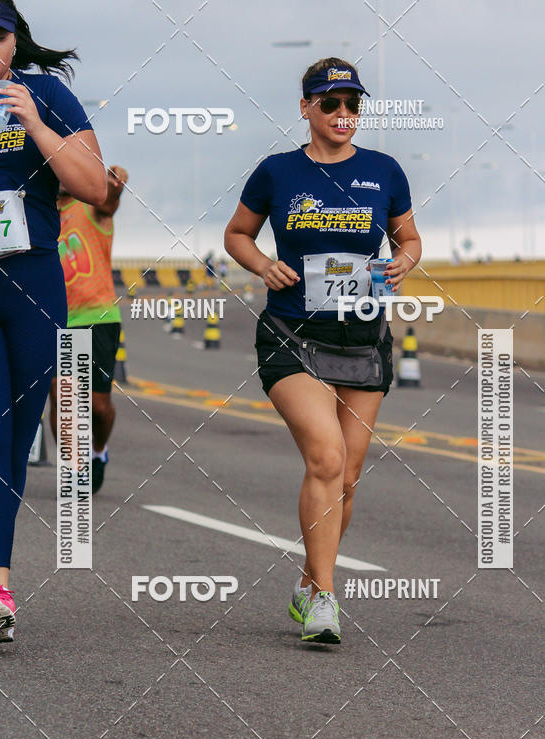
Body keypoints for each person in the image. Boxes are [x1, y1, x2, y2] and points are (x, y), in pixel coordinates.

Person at [224, 57, 421, 644]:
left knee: (348, 479)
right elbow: (237, 234)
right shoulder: (277, 172)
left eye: (352, 103)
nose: (343, 113)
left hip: (363, 338)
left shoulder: (384, 170)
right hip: (292, 336)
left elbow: (409, 238)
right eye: (330, 102)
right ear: (306, 108)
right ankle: (326, 602)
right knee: (327, 460)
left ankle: (310, 582)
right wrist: (263, 264)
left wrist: (402, 262)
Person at [0, 1, 106, 642]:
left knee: (14, 440)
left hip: (31, 281)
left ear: (14, 42)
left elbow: (94, 187)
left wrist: (34, 122)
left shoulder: (46, 96)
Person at [48, 165, 129, 494]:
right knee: (61, 396)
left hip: (98, 317)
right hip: (57, 319)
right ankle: (72, 469)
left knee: (98, 406)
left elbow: (109, 201)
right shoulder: (42, 213)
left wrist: (115, 185)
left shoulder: (92, 205)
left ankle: (98, 450)